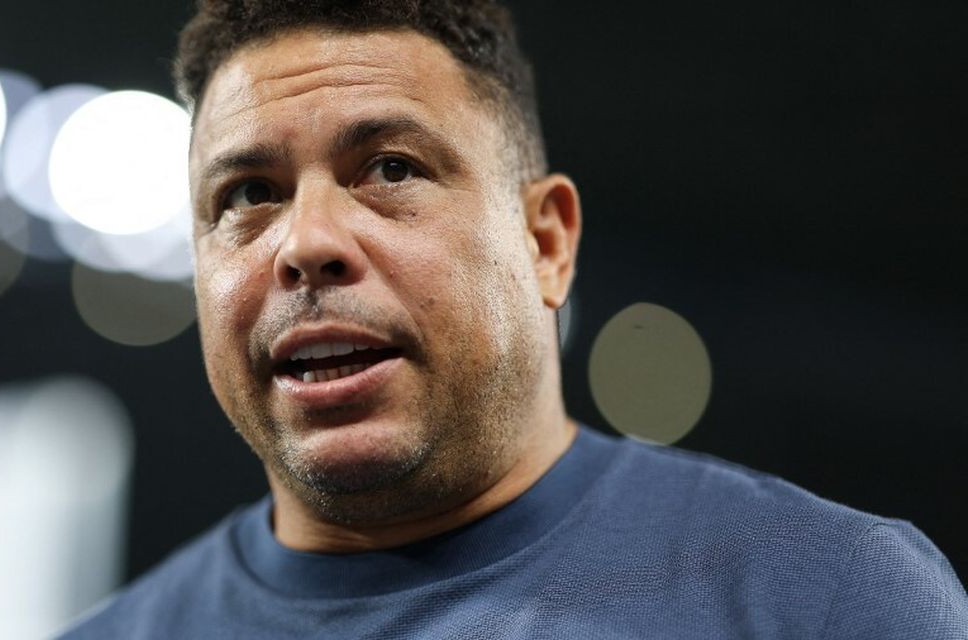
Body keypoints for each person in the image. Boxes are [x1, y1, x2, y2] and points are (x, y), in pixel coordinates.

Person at [60, 1, 968, 637]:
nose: (306, 242)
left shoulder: (829, 600)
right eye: (248, 194)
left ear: (546, 242)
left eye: (391, 169)